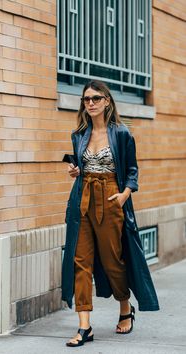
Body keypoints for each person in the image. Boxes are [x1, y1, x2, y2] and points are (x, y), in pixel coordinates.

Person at [62, 80, 159, 347]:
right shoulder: (79, 134)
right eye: (86, 99)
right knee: (80, 261)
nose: (90, 103)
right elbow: (81, 167)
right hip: (82, 197)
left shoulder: (122, 133)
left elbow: (132, 172)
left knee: (112, 260)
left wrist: (125, 194)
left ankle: (125, 307)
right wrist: (75, 171)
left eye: (95, 98)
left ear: (107, 101)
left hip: (111, 197)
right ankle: (84, 327)